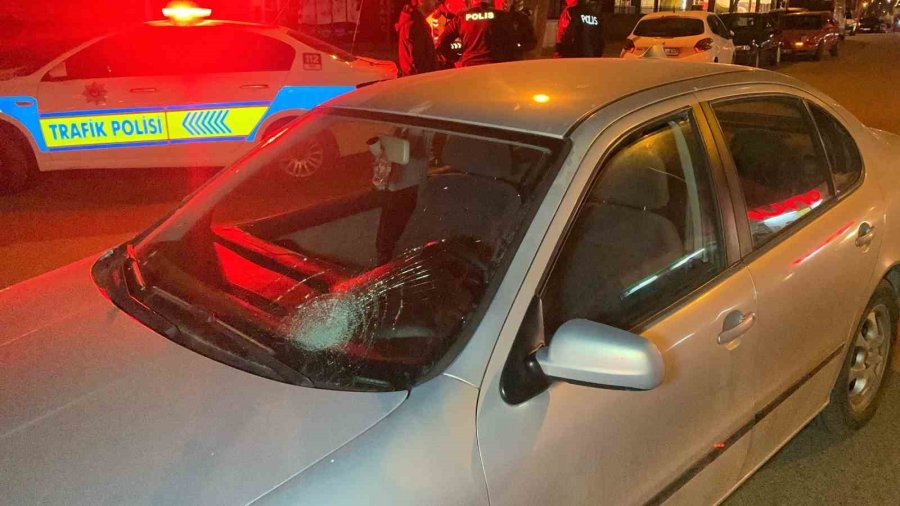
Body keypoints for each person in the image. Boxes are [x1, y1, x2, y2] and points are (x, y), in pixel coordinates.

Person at [436, 0, 516, 67]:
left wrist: (455, 58)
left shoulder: (461, 17)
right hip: (495, 66)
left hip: (469, 66)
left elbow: (441, 43)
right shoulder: (501, 15)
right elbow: (514, 42)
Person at [396, 0, 438, 76]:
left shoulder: (416, 22)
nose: (436, 2)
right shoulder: (415, 25)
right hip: (420, 80)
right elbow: (418, 62)